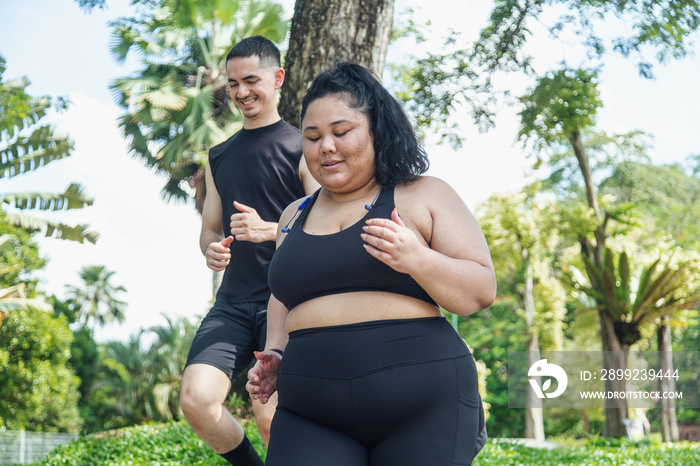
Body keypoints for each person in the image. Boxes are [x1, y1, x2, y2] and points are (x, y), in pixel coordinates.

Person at [246, 62, 497, 466]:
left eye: (341, 132)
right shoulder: (293, 214)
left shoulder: (422, 194)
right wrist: (276, 351)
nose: (326, 146)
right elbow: (283, 293)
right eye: (312, 137)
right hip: (309, 411)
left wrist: (417, 258)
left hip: (422, 406)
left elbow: (481, 291)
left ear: (377, 130)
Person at [179, 36, 318, 466]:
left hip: (289, 300)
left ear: (277, 79)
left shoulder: (305, 148)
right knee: (196, 399)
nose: (241, 92)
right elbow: (209, 229)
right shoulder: (218, 156)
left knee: (269, 414)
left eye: (251, 81)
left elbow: (327, 229)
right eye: (233, 83)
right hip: (233, 303)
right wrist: (211, 252)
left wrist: (271, 230)